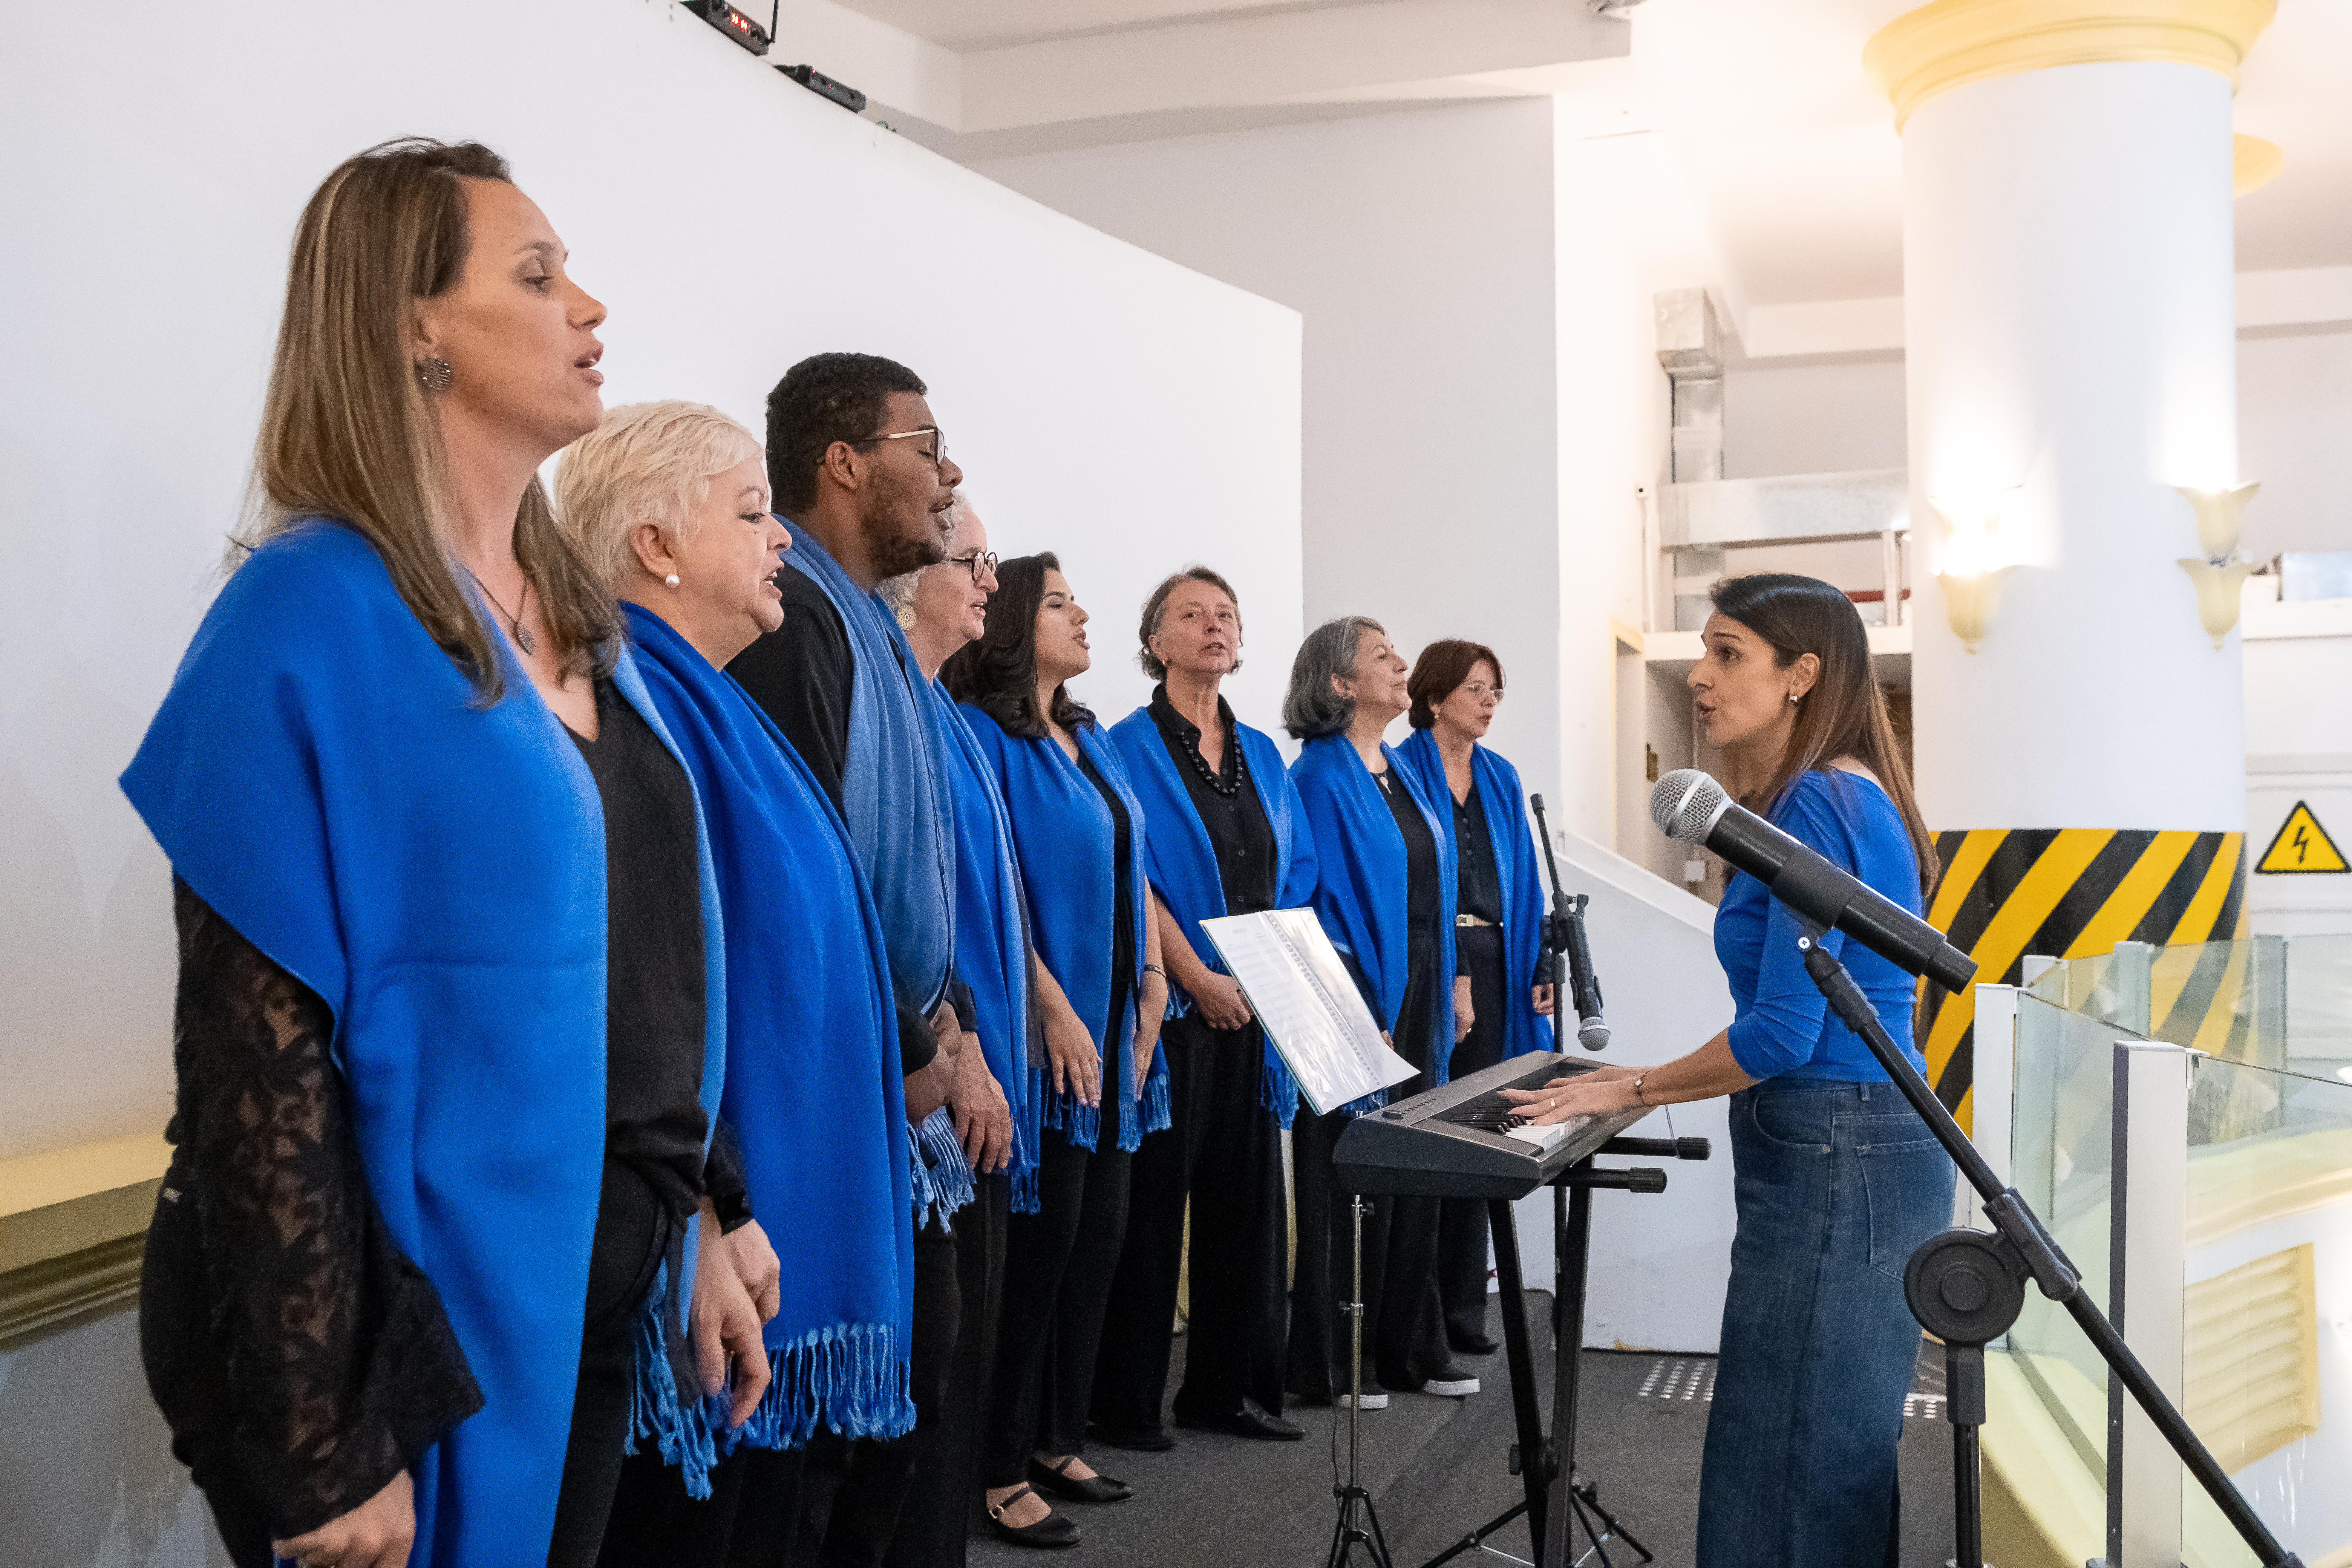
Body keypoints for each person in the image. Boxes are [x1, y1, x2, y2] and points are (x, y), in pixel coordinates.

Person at [119, 140, 768, 1568]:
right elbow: (253, 1060)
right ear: (413, 330)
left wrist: (701, 1219)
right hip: (390, 1326)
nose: (588, 306)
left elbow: (654, 958)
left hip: (579, 1276)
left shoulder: (580, 624)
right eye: (537, 277)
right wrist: (327, 1435)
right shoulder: (306, 616)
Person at [1504, 574, 1953, 1568]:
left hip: (1845, 1142)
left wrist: (1630, 1087)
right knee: (1797, 1442)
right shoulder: (1818, 797)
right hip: (1847, 1140)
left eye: (1727, 654)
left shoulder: (1821, 801)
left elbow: (1786, 1033)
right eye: (1703, 654)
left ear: (1804, 674)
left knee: (1800, 1449)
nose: (1701, 680)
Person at [550, 402, 920, 1564]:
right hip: (693, 1223)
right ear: (657, 547)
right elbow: (650, 985)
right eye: (753, 513)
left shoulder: (712, 706)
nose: (779, 542)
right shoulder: (622, 701)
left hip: (746, 1210)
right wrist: (715, 1207)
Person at [724, 352, 986, 1565]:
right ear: (843, 463)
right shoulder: (799, 626)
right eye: (924, 446)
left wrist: (942, 1028)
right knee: (831, 1461)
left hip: (898, 1070)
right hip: (836, 1087)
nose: (947, 477)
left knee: (903, 1423)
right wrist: (914, 1043)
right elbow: (800, 887)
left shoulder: (855, 623)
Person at [945, 554, 1171, 1549]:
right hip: (1049, 1041)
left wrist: (1157, 983)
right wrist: (1050, 1006)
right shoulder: (992, 739)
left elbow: (1137, 864)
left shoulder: (1086, 736)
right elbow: (990, 890)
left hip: (1123, 1030)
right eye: (1059, 602)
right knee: (1037, 1262)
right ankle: (996, 1468)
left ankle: (1053, 1435)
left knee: (1095, 1249)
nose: (1082, 615)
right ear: (1009, 627)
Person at [1092, 568, 1318, 1449]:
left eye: (1226, 614)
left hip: (1253, 1011)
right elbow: (1136, 876)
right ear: (1154, 641)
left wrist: (1261, 981)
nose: (1213, 626)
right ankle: (1126, 1402)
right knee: (1153, 1212)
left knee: (1246, 1207)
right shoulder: (1124, 744)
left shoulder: (1263, 750)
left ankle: (1226, 1391)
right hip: (1174, 1011)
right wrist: (1193, 975)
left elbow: (1294, 872)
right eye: (1191, 614)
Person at [876, 495, 1033, 1568]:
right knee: (931, 1363)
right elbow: (900, 917)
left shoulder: (942, 715)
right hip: (921, 1070)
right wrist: (957, 1052)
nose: (988, 577)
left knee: (961, 1348)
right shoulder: (892, 703)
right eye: (966, 558)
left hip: (965, 1047)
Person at [1281, 617, 1478, 1411]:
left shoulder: (1399, 768)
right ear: (1339, 684)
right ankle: (1333, 1363)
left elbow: (1440, 883)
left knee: (1416, 1165)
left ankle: (1408, 1349)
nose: (1401, 663)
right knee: (1348, 1177)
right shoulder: (1319, 775)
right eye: (1382, 656)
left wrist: (1456, 979)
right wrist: (1362, 1006)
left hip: (1423, 981)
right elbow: (1313, 903)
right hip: (1355, 988)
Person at [1394, 640, 1555, 1357]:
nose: (1489, 701)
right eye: (1475, 688)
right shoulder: (1400, 769)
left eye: (1496, 689)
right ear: (1434, 698)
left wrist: (1540, 962)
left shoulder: (1501, 775)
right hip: (1430, 965)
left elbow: (1526, 880)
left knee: (1481, 1134)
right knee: (1430, 1133)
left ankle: (1466, 1304)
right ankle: (1419, 1309)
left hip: (1498, 959)